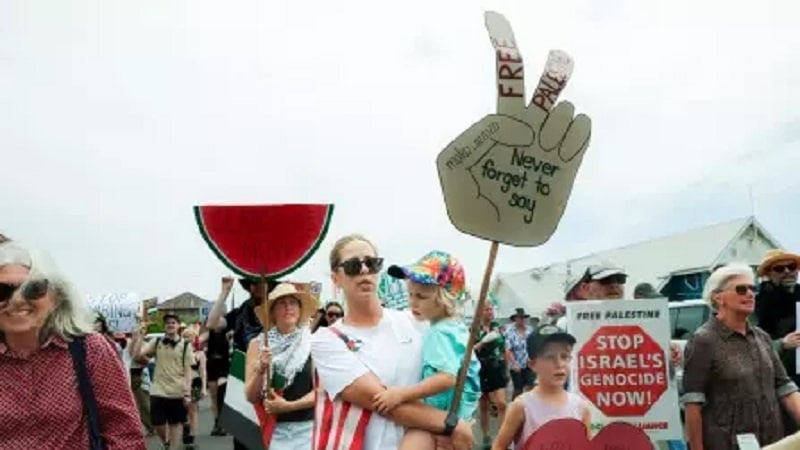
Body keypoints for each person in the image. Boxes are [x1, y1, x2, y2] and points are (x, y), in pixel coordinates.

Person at [310, 234, 475, 450]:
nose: (364, 270)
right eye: (352, 265)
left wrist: (461, 420)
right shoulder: (326, 340)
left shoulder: (417, 323)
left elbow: (463, 371)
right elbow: (380, 401)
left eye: (371, 263)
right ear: (335, 278)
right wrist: (452, 424)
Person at [0, 242, 145, 449]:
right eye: (1, 290)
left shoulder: (89, 349)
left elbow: (124, 432)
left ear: (55, 297)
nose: (17, 300)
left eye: (33, 289)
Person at [682, 263, 800, 450]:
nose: (750, 294)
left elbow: (784, 386)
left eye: (753, 288)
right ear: (718, 298)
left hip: (772, 441)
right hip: (727, 443)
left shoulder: (762, 337)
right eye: (741, 289)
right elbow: (693, 402)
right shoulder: (704, 341)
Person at [371, 251, 481, 450]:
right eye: (411, 294)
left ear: (444, 298)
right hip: (460, 416)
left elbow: (446, 378)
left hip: (439, 417)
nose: (413, 302)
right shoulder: (456, 328)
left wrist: (401, 395)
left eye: (421, 296)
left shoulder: (438, 333)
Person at [492, 324, 590, 450]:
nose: (559, 364)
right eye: (550, 357)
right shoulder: (522, 407)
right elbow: (499, 446)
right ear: (533, 364)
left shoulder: (580, 407)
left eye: (564, 356)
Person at [245, 282, 318, 449]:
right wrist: (260, 370)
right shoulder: (258, 345)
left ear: (300, 311)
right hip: (272, 430)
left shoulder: (312, 343)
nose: (288, 307)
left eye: (293, 303)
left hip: (307, 431)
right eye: (282, 303)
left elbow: (321, 392)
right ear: (272, 312)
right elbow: (251, 396)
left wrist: (289, 406)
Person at [206, 276, 271, 450]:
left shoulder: (275, 311)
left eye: (265, 284)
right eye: (257, 284)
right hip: (242, 375)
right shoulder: (240, 312)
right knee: (243, 435)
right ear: (250, 287)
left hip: (269, 375)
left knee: (268, 435)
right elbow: (212, 324)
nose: (261, 287)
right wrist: (224, 292)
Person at [754, 249, 800, 436]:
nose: (788, 272)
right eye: (780, 269)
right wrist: (781, 343)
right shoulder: (758, 304)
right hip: (778, 385)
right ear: (768, 274)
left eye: (792, 266)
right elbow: (748, 346)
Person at [132, 313, 194, 450]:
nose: (170, 325)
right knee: (157, 422)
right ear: (165, 326)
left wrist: (187, 393)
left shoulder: (185, 346)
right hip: (158, 389)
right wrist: (141, 335)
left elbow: (188, 371)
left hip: (177, 390)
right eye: (168, 323)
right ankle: (166, 443)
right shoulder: (157, 341)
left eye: (173, 322)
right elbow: (137, 355)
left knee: (175, 423)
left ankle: (173, 447)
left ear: (178, 326)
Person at [474, 302, 509, 449]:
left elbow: (504, 348)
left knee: (501, 404)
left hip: (497, 367)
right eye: (487, 309)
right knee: (483, 405)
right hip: (482, 368)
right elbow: (471, 349)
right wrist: (483, 341)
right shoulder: (474, 329)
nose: (490, 312)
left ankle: (502, 437)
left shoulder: (498, 327)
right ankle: (487, 436)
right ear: (480, 312)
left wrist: (507, 368)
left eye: (491, 309)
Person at [202, 321, 230, 436]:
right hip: (212, 366)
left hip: (223, 367)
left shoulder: (228, 333)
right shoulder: (209, 334)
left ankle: (223, 424)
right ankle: (217, 422)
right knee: (213, 397)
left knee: (221, 397)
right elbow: (199, 340)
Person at [181, 327, 207, 450]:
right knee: (181, 410)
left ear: (194, 338)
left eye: (190, 337)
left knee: (193, 410)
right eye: (185, 337)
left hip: (195, 383)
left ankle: (191, 436)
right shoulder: (179, 351)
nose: (188, 339)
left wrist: (204, 388)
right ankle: (185, 428)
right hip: (180, 383)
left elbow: (203, 372)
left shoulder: (200, 353)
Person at [504, 307, 535, 399]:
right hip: (516, 363)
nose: (522, 320)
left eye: (523, 318)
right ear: (515, 319)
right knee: (518, 389)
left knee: (531, 386)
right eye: (520, 318)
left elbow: (534, 345)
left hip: (529, 362)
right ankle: (514, 406)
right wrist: (514, 363)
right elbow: (508, 349)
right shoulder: (510, 331)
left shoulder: (530, 330)